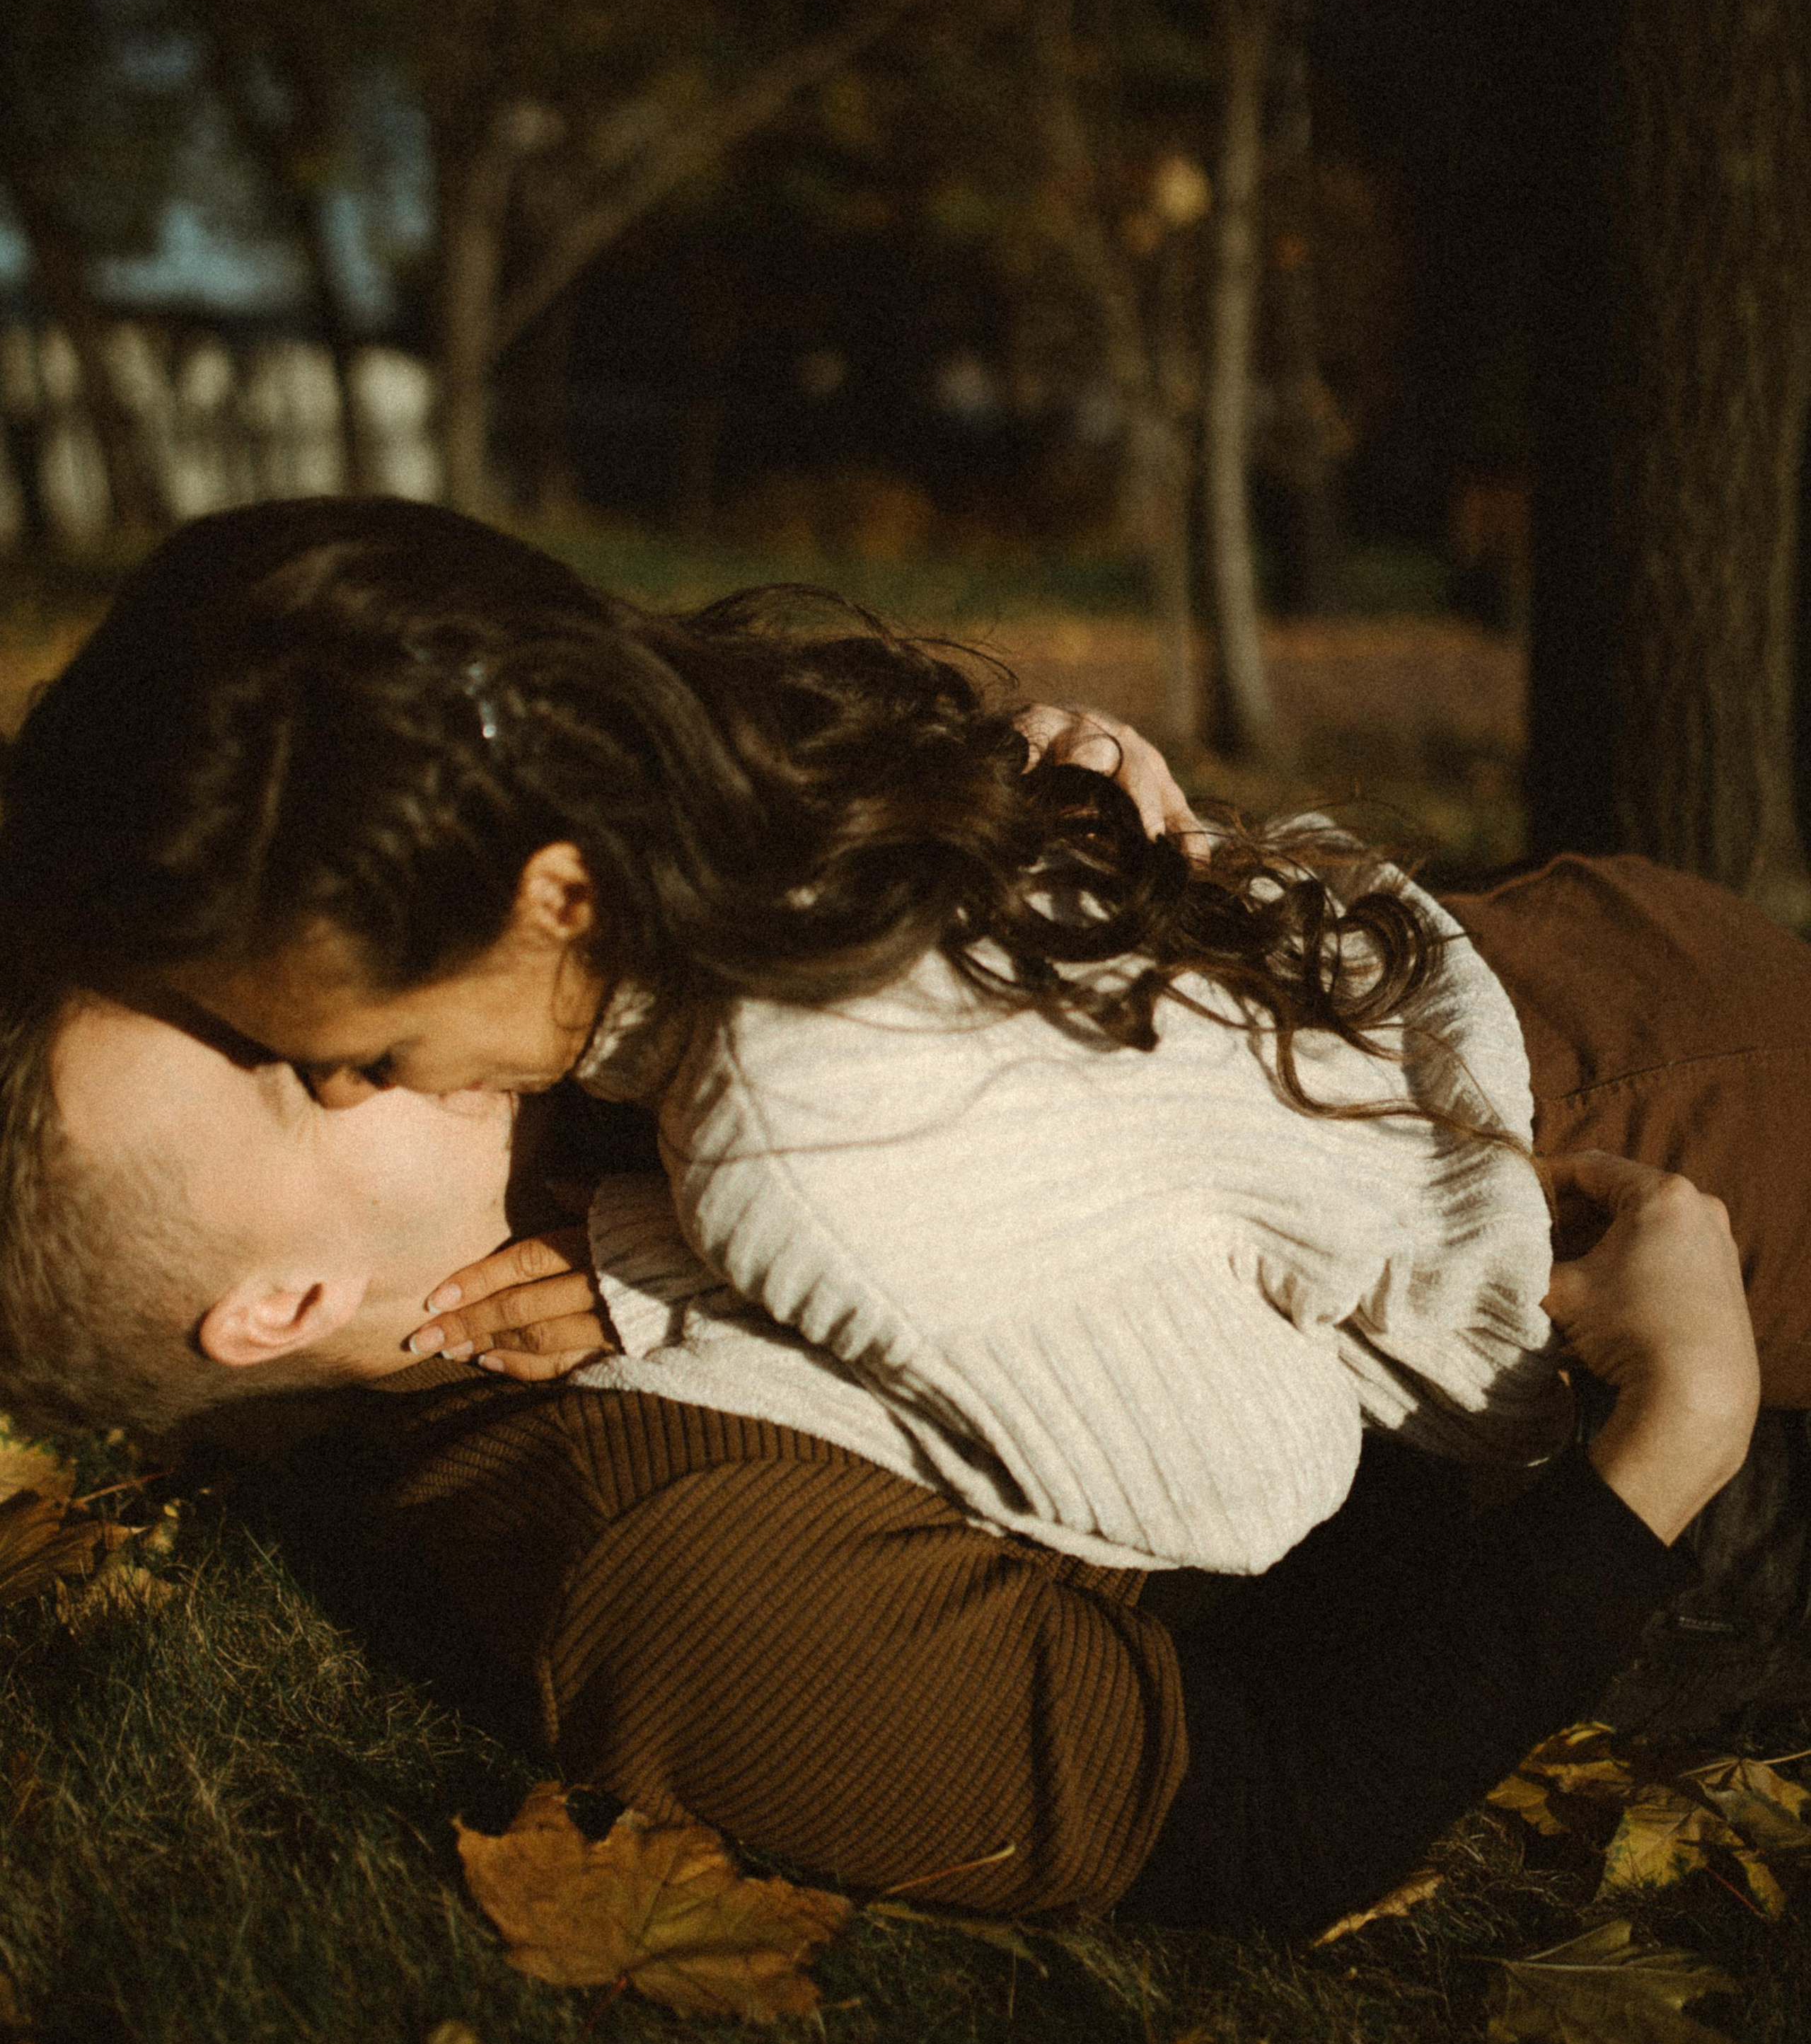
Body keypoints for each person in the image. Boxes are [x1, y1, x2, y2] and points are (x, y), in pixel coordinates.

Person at [1, 497, 1575, 1578]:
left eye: (358, 1045)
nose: (350, 1083)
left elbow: (1257, 1482)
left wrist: (705, 1308)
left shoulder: (792, 1140)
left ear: (550, 900)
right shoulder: (748, 805)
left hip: (1563, 1306)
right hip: (1456, 982)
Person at [0, 974, 1758, 1936]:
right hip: (1614, 1281)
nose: (326, 1000)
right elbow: (1267, 1815)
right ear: (286, 1299)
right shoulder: (665, 1551)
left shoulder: (552, 1044)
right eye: (291, 1075)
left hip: (1510, 997)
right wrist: (1676, 1440)